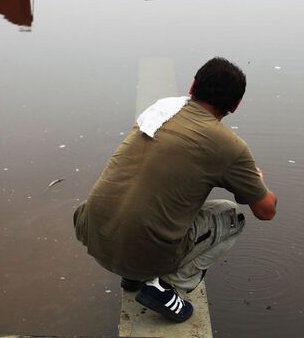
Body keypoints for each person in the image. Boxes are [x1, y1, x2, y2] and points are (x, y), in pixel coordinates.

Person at [73, 57, 278, 323]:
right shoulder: (230, 146)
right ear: (235, 106)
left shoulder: (163, 108)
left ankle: (133, 275)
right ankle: (166, 286)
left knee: (151, 193)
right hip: (137, 250)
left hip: (92, 231)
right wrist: (256, 181)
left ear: (192, 86)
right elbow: (266, 210)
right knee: (231, 215)